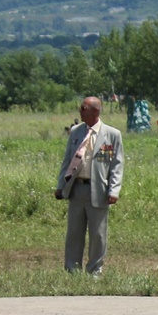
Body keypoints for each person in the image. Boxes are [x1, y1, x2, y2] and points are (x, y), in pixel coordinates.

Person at [55, 97, 124, 276]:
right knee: (74, 233)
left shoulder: (112, 134)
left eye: (83, 108)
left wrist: (114, 190)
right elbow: (67, 160)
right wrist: (61, 184)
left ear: (95, 111)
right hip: (77, 189)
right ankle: (72, 270)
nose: (80, 111)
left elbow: (117, 165)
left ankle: (94, 270)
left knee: (98, 235)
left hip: (99, 190)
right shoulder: (76, 132)